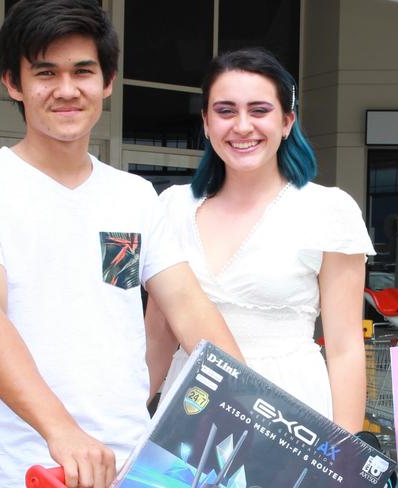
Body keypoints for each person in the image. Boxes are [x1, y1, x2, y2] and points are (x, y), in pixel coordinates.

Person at [0, 2, 242, 487]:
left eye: (83, 71)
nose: (66, 90)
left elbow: (187, 304)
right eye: (46, 73)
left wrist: (247, 404)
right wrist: (61, 431)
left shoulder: (133, 195)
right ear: (13, 83)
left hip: (134, 464)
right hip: (36, 465)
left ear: (107, 82)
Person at [146, 47, 375, 434]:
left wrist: (343, 462)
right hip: (191, 406)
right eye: (225, 110)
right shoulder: (172, 208)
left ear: (287, 121)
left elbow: (344, 349)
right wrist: (124, 424)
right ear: (205, 121)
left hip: (290, 413)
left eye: (259, 110)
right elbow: (158, 336)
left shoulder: (328, 210)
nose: (242, 126)